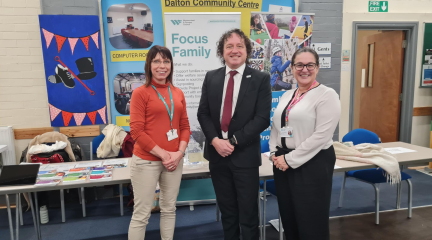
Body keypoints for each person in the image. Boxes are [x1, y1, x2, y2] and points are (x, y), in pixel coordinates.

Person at [197, 29, 272, 240]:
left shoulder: (260, 79)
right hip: (217, 156)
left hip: (244, 157)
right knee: (227, 212)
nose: (234, 50)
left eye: (239, 46)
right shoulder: (211, 77)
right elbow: (203, 113)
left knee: (248, 214)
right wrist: (214, 141)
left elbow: (262, 118)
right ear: (222, 51)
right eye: (229, 46)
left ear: (247, 51)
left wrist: (231, 141)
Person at [269, 47, 341, 240]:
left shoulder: (327, 95)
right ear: (292, 68)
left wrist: (290, 159)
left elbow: (322, 136)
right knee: (289, 217)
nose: (304, 69)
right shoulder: (287, 95)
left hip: (312, 164)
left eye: (310, 65)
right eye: (299, 65)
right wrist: (274, 154)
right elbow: (276, 126)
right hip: (283, 163)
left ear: (317, 68)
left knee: (310, 219)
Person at [128, 45, 190, 240]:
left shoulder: (177, 92)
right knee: (142, 215)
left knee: (169, 209)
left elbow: (185, 127)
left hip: (174, 161)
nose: (162, 66)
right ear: (149, 65)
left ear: (171, 65)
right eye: (157, 61)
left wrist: (178, 154)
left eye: (166, 61)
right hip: (146, 161)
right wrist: (165, 155)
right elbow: (137, 131)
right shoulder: (141, 92)